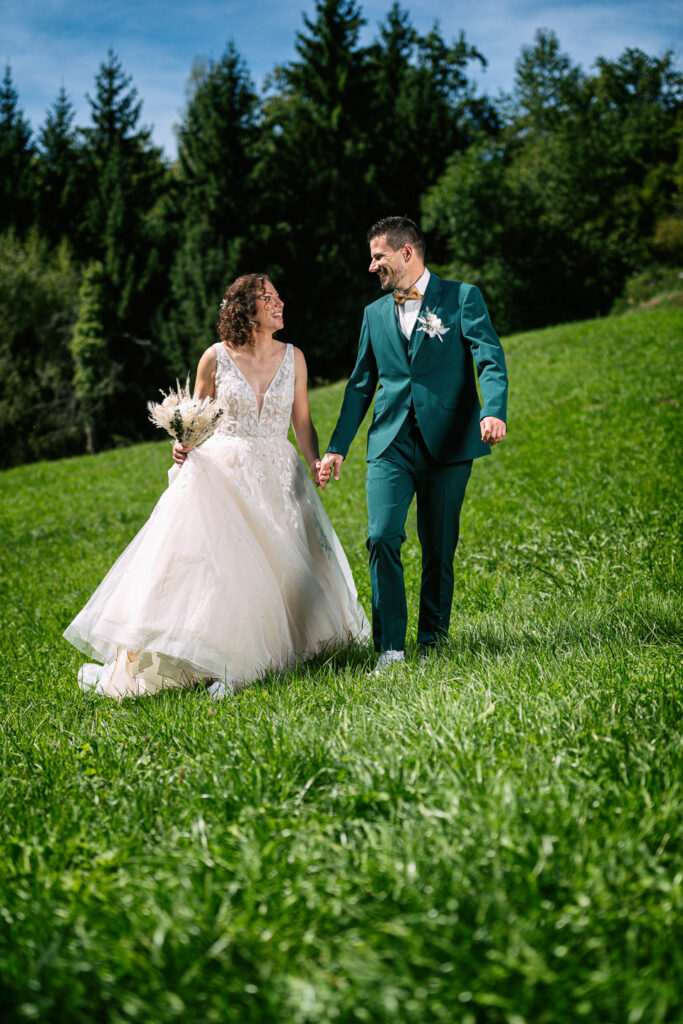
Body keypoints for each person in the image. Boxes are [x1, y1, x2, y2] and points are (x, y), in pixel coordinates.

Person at [65, 274, 370, 699]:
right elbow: (195, 417)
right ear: (246, 310)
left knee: (283, 568)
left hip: (280, 474)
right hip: (226, 474)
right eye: (269, 298)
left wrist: (314, 459)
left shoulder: (295, 357)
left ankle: (272, 653)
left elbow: (302, 419)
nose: (281, 302)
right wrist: (180, 443)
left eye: (279, 295)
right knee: (229, 572)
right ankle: (228, 662)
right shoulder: (215, 358)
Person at [319, 216, 507, 671]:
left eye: (377, 256)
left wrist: (493, 409)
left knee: (439, 547)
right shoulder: (373, 314)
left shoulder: (462, 298)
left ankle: (432, 643)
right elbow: (361, 385)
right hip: (390, 443)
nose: (371, 266)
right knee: (381, 535)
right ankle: (390, 648)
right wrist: (338, 446)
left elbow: (489, 357)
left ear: (406, 253)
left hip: (448, 443)